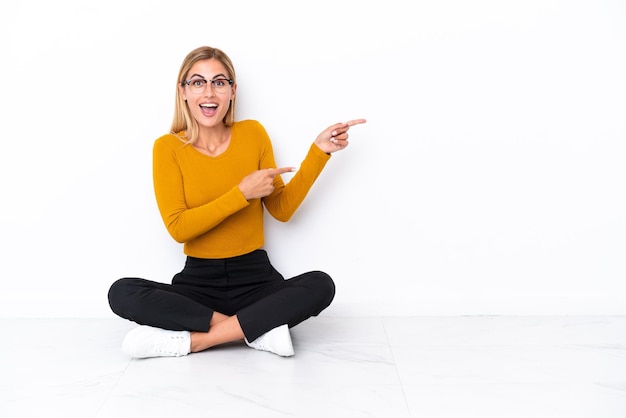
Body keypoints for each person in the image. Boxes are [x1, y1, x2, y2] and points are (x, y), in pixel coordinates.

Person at [108, 46, 366, 359]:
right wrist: (240, 195)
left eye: (219, 82)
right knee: (121, 292)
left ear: (232, 90)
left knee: (321, 285)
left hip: (255, 280)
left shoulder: (253, 134)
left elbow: (281, 210)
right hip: (197, 285)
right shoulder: (168, 148)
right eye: (197, 82)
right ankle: (256, 330)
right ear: (183, 91)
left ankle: (196, 340)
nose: (209, 92)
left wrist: (318, 152)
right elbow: (178, 228)